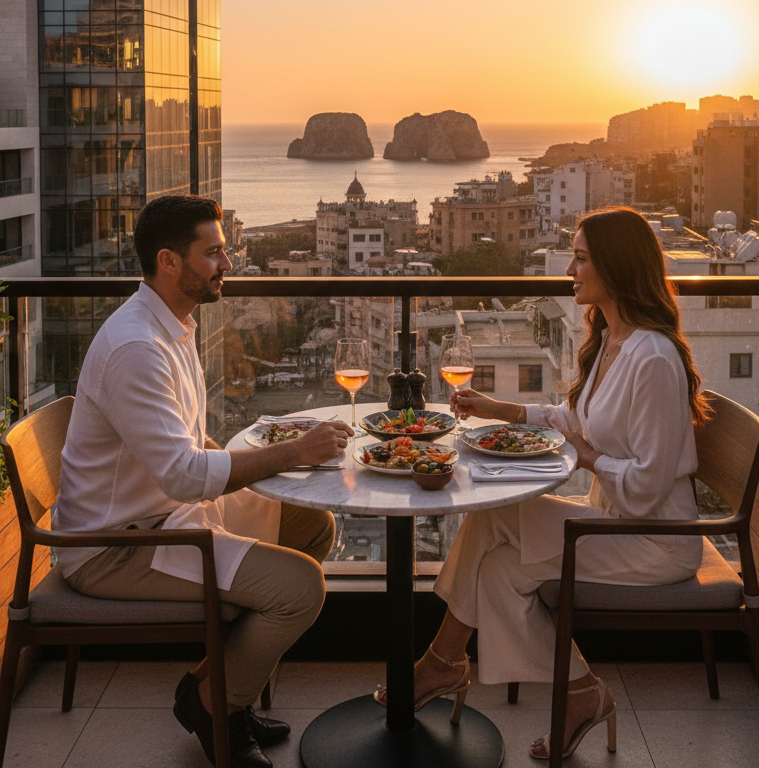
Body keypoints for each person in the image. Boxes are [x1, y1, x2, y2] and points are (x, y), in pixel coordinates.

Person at [376, 207, 708, 760]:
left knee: (491, 515)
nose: (571, 270)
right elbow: (571, 418)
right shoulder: (613, 339)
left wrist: (587, 458)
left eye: (580, 258)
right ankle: (579, 692)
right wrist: (495, 407)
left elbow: (648, 483)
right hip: (613, 525)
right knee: (501, 570)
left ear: (616, 266)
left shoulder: (652, 357)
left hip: (654, 540)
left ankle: (442, 662)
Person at [53, 195, 354, 768]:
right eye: (213, 252)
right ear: (170, 261)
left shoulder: (171, 324)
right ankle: (218, 706)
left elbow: (188, 450)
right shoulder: (137, 348)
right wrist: (294, 451)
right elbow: (186, 473)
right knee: (300, 589)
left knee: (311, 525)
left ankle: (212, 688)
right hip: (118, 544)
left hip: (168, 515)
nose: (228, 262)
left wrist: (274, 467)